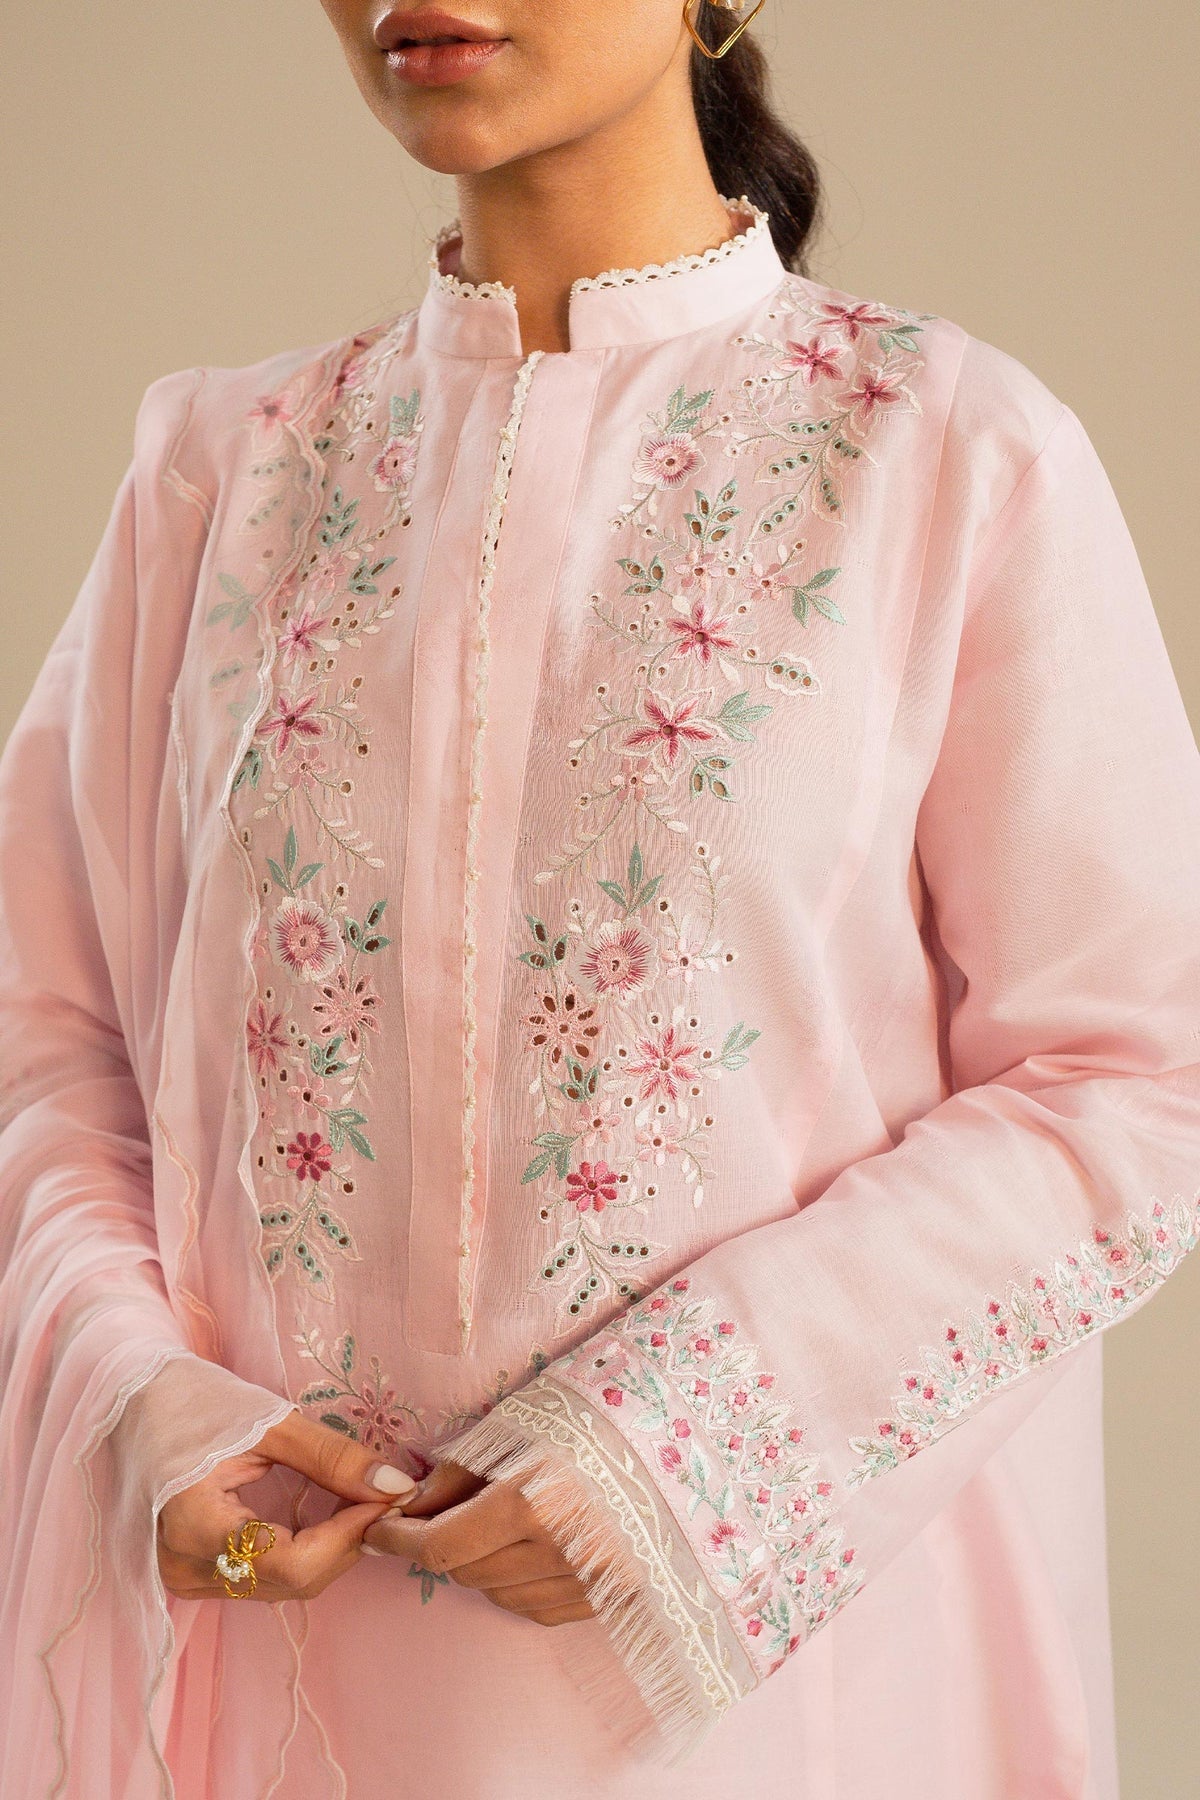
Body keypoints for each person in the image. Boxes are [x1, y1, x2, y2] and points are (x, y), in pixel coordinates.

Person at [1, 1, 1197, 1793]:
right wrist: (130, 1401)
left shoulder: (939, 452)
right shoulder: (225, 473)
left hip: (762, 1671)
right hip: (281, 1676)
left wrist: (682, 1456)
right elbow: (51, 1040)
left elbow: (1135, 1074)